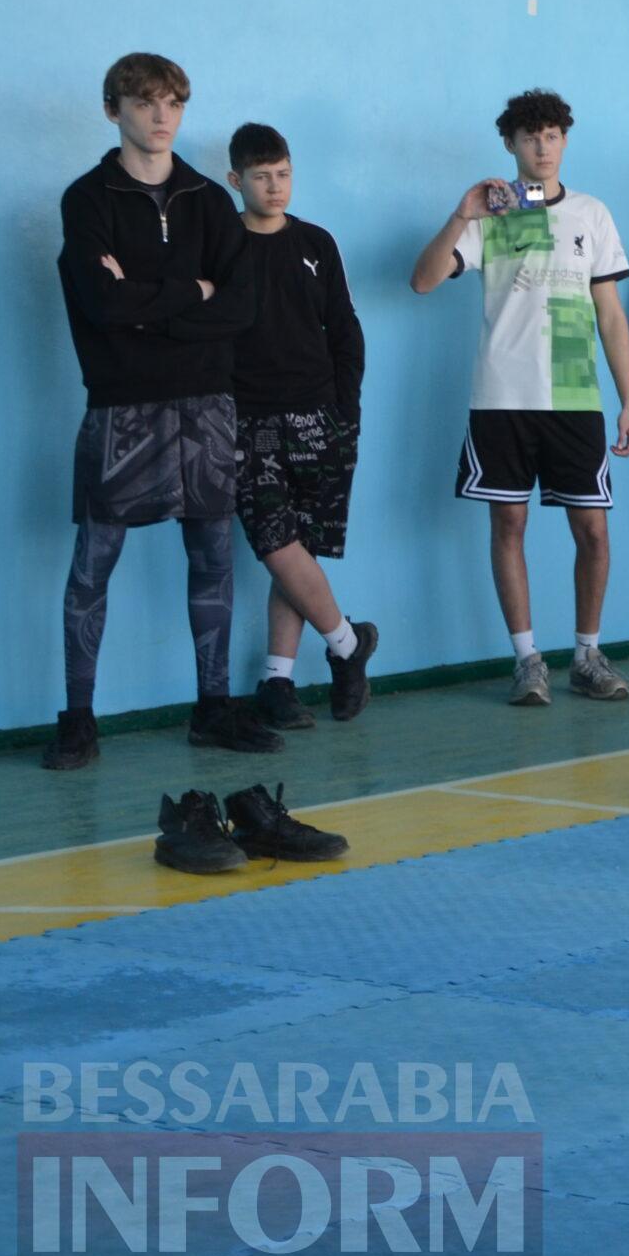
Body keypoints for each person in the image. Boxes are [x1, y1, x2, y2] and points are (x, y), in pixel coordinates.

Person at [49, 52, 271, 768]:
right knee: (93, 566)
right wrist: (192, 293)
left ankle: (213, 709)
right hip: (123, 406)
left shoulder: (209, 200)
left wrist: (152, 306)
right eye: (145, 103)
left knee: (212, 557)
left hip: (206, 405)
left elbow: (240, 308)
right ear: (113, 109)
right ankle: (79, 720)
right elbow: (102, 306)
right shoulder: (87, 200)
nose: (161, 116)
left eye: (173, 102)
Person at [410, 87, 629, 706]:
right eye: (531, 136)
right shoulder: (492, 214)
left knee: (592, 531)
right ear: (510, 144)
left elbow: (610, 317)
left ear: (565, 140)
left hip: (573, 395)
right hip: (502, 396)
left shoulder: (591, 214)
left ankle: (587, 656)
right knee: (508, 521)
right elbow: (424, 280)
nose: (543, 146)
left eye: (553, 135)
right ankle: (527, 659)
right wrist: (463, 215)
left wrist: (628, 399)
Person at [224, 122, 377, 732]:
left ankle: (277, 681)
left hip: (322, 416)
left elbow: (344, 327)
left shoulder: (316, 241)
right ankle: (347, 643)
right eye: (261, 177)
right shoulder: (220, 245)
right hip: (247, 419)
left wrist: (346, 409)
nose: (274, 186)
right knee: (275, 542)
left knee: (299, 549)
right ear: (236, 181)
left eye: (283, 174)